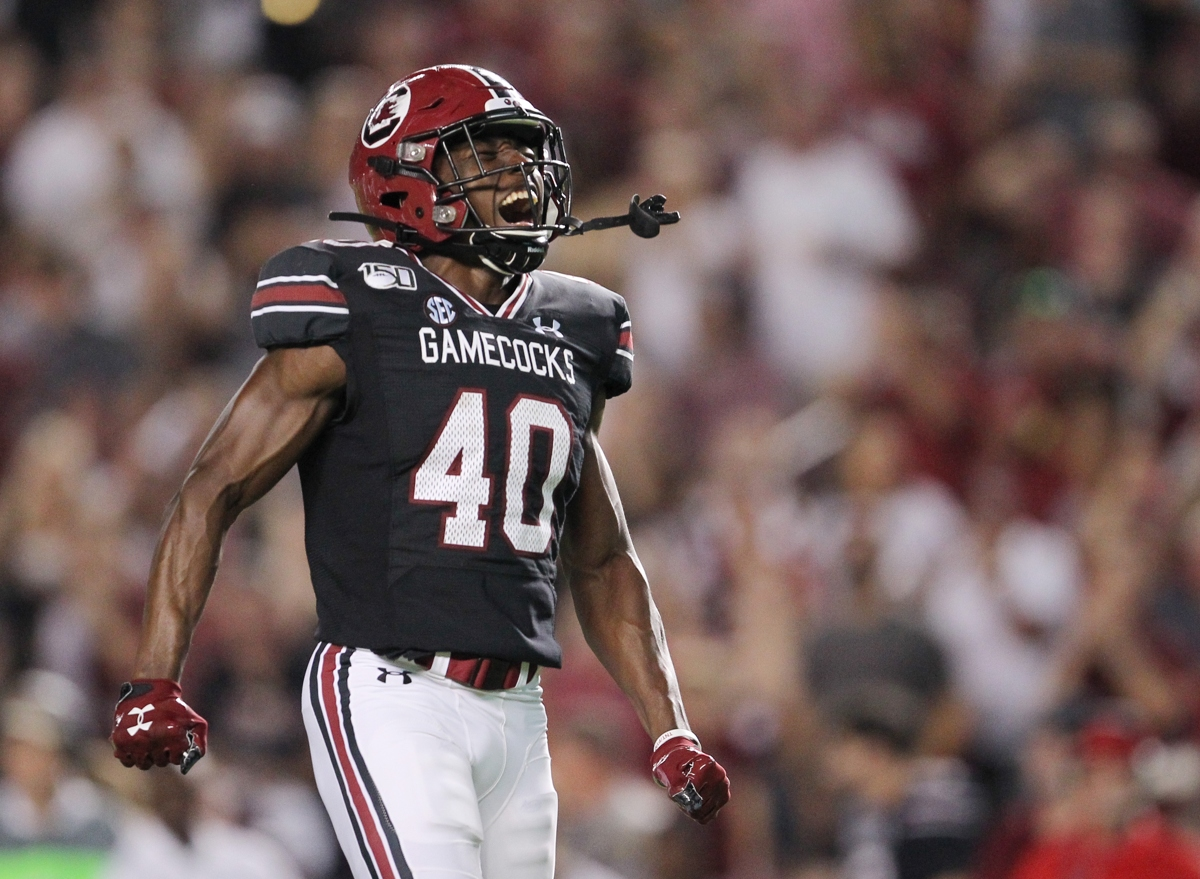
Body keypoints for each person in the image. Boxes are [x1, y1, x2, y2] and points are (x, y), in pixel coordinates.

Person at [108, 64, 730, 879]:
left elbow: (605, 556)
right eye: (487, 156)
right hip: (389, 689)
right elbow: (212, 487)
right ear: (407, 181)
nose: (519, 178)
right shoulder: (357, 303)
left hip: (516, 709)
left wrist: (670, 727)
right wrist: (156, 674)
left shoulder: (575, 326)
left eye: (523, 155)